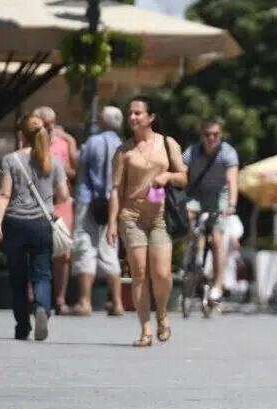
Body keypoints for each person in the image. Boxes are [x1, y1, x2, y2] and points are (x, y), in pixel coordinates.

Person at [105, 96, 188, 347]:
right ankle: (145, 329)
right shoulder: (124, 151)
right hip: (131, 217)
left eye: (138, 113)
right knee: (139, 273)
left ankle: (161, 313)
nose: (132, 117)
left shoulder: (167, 143)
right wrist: (111, 222)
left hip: (161, 217)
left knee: (162, 274)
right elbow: (116, 190)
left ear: (150, 117)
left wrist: (167, 176)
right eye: (130, 113)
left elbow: (184, 177)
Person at [0, 114, 70, 341]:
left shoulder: (11, 160)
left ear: (21, 135)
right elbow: (64, 195)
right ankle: (42, 308)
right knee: (42, 273)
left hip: (15, 223)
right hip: (41, 223)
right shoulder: (54, 161)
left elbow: (4, 194)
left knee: (17, 277)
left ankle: (22, 326)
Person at [72, 106, 125, 317]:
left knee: (86, 247)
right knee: (109, 250)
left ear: (103, 121)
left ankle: (85, 302)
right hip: (112, 203)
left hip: (88, 201)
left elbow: (79, 164)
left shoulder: (93, 142)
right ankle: (118, 303)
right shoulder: (123, 146)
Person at [182, 118, 240, 307]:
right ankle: (193, 250)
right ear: (202, 136)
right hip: (197, 195)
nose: (211, 138)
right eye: (207, 135)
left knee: (216, 238)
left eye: (215, 134)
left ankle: (217, 285)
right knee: (187, 215)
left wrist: (231, 204)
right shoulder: (192, 152)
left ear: (220, 136)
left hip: (219, 197)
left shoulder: (228, 153)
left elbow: (232, 180)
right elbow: (181, 174)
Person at [32, 106, 78, 315]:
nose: (51, 128)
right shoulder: (29, 141)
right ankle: (34, 299)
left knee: (63, 252)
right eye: (46, 123)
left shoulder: (63, 142)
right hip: (37, 201)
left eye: (53, 123)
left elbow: (76, 171)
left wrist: (68, 142)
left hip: (61, 201)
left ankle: (60, 300)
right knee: (34, 249)